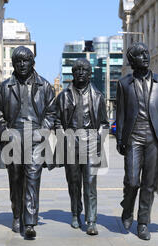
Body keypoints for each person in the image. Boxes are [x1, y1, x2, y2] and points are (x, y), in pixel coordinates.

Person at [116, 42, 158, 240]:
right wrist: (119, 139)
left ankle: (143, 222)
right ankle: (127, 210)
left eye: (146, 53)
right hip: (133, 136)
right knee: (132, 181)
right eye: (140, 54)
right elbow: (120, 115)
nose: (145, 56)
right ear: (132, 60)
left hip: (155, 139)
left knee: (149, 184)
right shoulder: (124, 84)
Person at [0, 46, 56, 239]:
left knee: (32, 179)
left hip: (36, 137)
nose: (22, 64)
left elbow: (52, 113)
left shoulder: (45, 86)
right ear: (13, 63)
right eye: (18, 61)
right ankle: (17, 215)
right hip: (14, 137)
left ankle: (30, 222)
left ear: (32, 62)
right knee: (16, 180)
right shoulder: (4, 87)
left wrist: (42, 131)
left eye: (26, 60)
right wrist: (5, 132)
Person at [54, 58, 109, 235]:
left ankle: (91, 220)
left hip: (91, 143)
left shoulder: (98, 96)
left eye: (84, 70)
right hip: (71, 143)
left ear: (89, 73)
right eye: (77, 70)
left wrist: (99, 140)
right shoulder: (63, 96)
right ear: (72, 73)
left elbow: (105, 123)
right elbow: (56, 120)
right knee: (74, 183)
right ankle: (76, 213)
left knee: (90, 183)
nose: (80, 73)